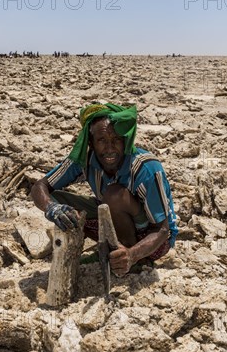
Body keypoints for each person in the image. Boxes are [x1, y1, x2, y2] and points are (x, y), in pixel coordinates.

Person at [31, 103, 178, 276]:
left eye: (116, 140)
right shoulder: (85, 160)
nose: (110, 148)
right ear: (91, 144)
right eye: (102, 141)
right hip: (115, 224)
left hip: (153, 241)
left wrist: (132, 255)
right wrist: (51, 208)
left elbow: (162, 230)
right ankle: (108, 252)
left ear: (125, 141)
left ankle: (130, 259)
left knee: (114, 196)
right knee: (57, 200)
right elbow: (40, 186)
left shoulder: (146, 169)